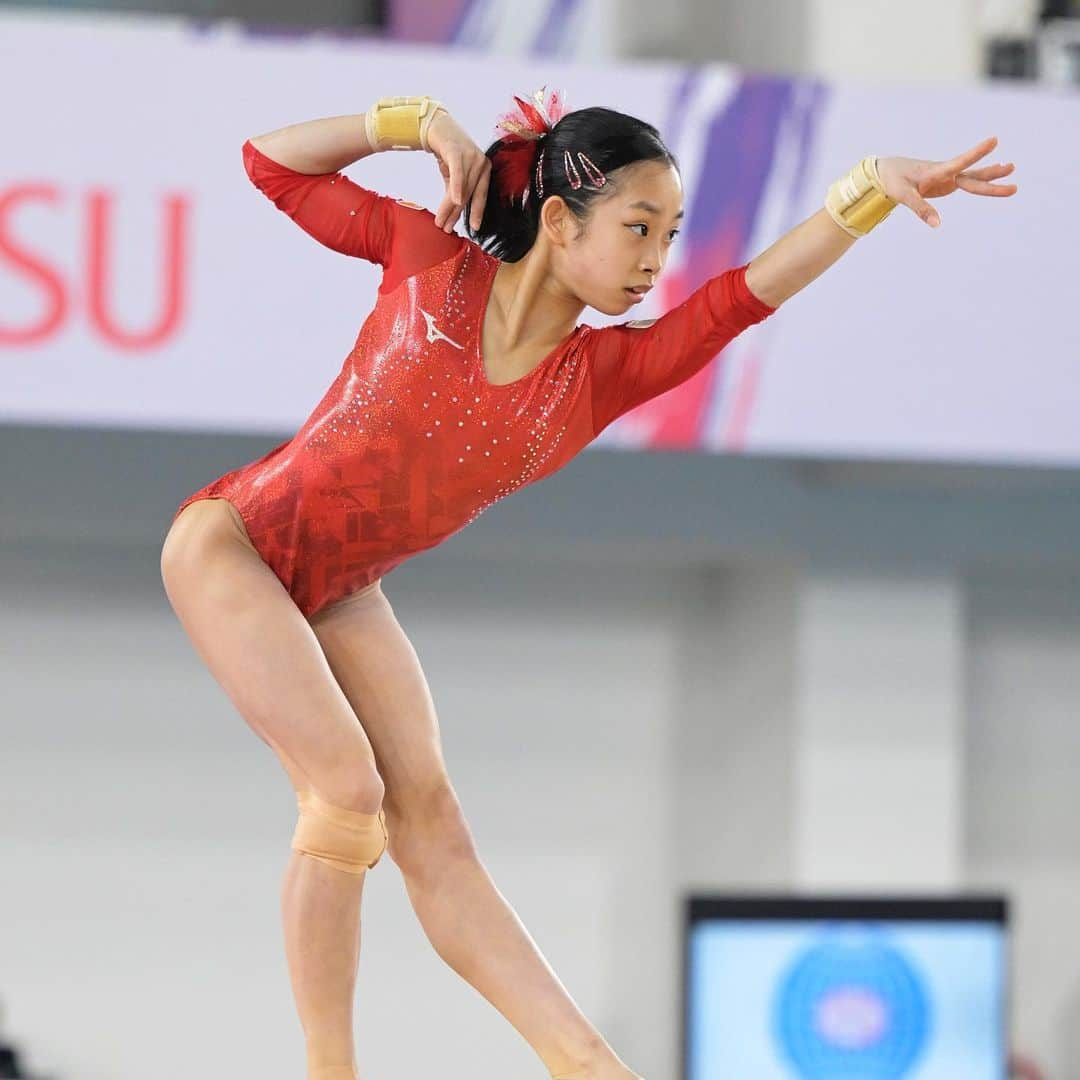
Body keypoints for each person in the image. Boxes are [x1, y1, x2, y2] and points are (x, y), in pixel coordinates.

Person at [159, 88, 1017, 1080]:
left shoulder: (604, 375)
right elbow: (270, 163)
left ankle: (588, 1064)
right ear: (561, 221)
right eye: (639, 230)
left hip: (342, 586)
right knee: (347, 792)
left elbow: (743, 294)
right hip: (232, 542)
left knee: (432, 824)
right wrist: (412, 122)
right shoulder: (427, 263)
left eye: (671, 234)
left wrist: (864, 192)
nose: (657, 260)